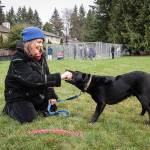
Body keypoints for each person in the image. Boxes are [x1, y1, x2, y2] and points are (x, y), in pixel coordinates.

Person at [3, 27, 72, 123]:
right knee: (28, 118)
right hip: (18, 95)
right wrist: (59, 76)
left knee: (52, 108)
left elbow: (46, 75)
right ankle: (9, 107)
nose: (41, 45)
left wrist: (51, 96)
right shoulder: (17, 59)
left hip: (33, 93)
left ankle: (31, 105)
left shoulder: (41, 56)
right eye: (38, 42)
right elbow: (32, 79)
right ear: (29, 42)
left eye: (42, 42)